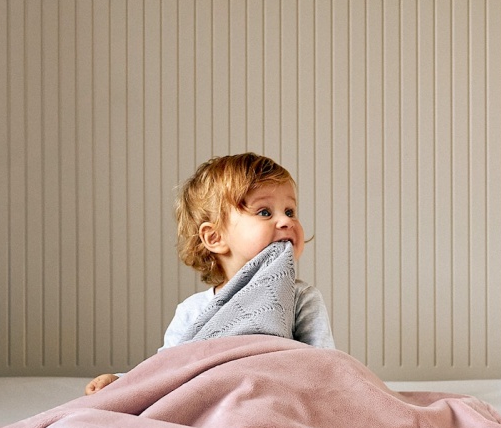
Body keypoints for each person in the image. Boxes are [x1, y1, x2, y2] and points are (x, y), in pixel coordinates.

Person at [85, 152, 335, 395]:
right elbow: (165, 371)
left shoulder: (301, 298)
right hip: (215, 399)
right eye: (264, 212)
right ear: (215, 237)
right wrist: (122, 381)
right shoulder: (193, 310)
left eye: (290, 211)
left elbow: (326, 369)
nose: (286, 221)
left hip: (275, 397)